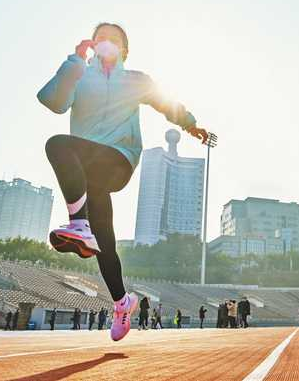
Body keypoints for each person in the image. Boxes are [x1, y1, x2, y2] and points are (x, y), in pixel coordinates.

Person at [37, 23, 210, 342]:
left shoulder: (135, 81)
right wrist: (73, 62)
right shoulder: (80, 74)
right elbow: (52, 101)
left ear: (124, 50)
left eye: (113, 40)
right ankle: (121, 302)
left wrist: (192, 126)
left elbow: (166, 104)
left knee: (58, 144)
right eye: (100, 37)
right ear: (92, 43)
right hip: (88, 169)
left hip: (119, 158)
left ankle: (78, 224)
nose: (106, 43)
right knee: (103, 240)